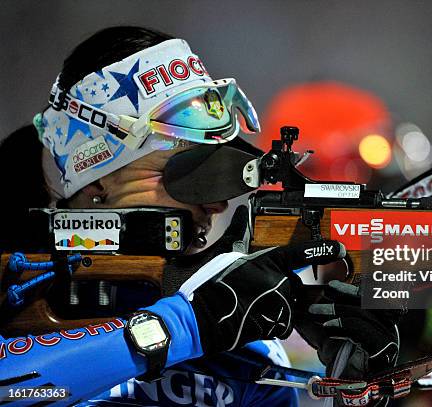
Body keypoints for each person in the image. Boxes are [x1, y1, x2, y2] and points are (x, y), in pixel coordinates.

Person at [0, 26, 400, 406]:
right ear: (94, 178)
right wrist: (186, 326)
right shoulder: (13, 287)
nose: (216, 203)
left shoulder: (242, 346)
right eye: (187, 174)